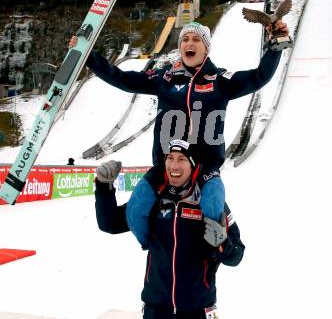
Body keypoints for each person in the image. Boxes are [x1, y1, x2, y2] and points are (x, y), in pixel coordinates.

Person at [70, 19, 289, 243]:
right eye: (185, 39)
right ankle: (155, 248)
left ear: (206, 48)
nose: (189, 43)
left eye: (196, 39)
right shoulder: (163, 79)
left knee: (213, 205)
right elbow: (123, 79)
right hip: (167, 167)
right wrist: (89, 57)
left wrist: (274, 47)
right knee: (136, 210)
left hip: (204, 169)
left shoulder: (221, 80)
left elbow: (258, 77)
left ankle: (205, 257)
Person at [94, 142, 245, 319]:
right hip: (156, 309)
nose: (174, 165)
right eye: (170, 158)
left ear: (193, 164)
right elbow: (109, 223)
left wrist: (222, 243)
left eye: (182, 159)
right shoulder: (152, 200)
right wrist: (104, 187)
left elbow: (237, 255)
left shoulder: (210, 203)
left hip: (198, 310)